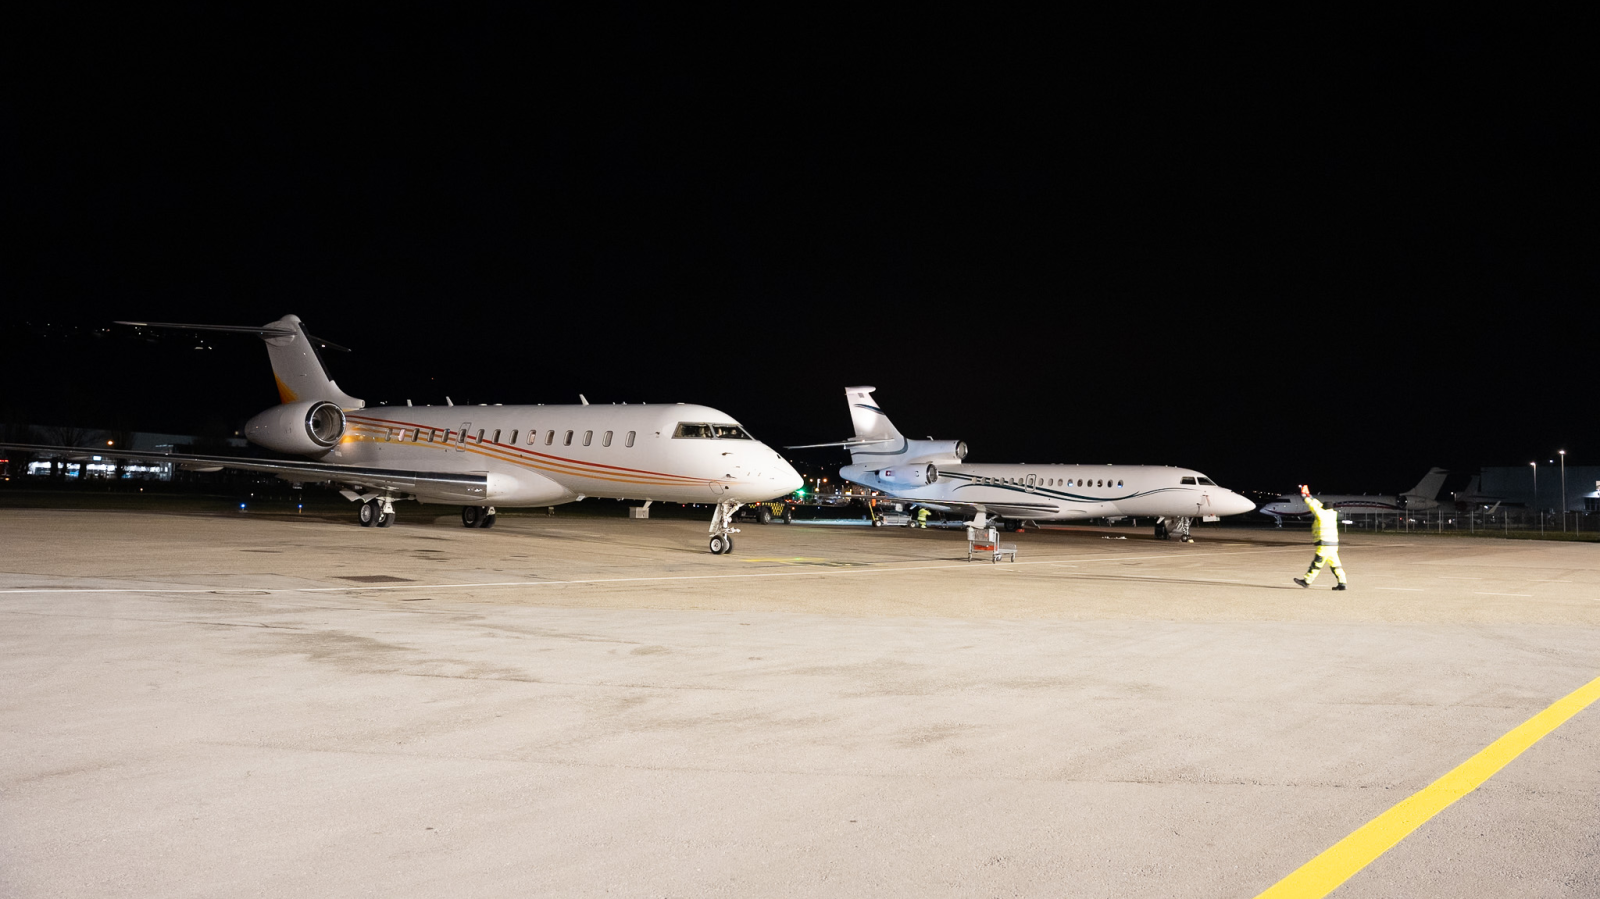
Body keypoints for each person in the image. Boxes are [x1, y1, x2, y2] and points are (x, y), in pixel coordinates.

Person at [1294, 484, 1347, 590]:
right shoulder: (1332, 514)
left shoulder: (1322, 514)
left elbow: (1313, 506)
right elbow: (1318, 505)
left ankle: (1307, 581)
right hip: (1333, 545)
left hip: (1324, 544)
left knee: (1317, 563)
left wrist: (1305, 497)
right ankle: (1342, 583)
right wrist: (1310, 495)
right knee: (1336, 565)